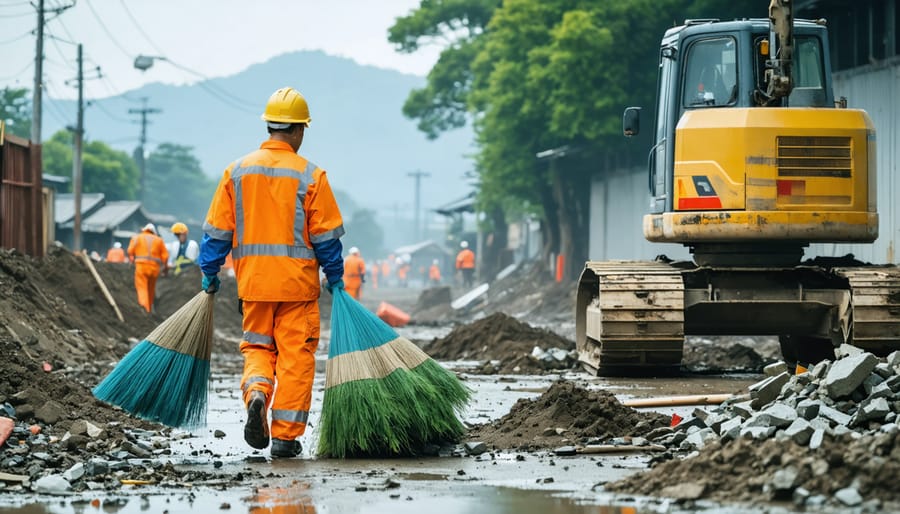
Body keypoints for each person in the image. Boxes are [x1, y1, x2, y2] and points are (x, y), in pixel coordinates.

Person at [198, 87, 345, 459]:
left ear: (269, 126)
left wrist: (209, 272)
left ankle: (258, 394)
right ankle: (284, 438)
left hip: (254, 286)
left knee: (258, 349)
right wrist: (336, 277)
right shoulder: (312, 176)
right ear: (298, 130)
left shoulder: (237, 172)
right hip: (297, 289)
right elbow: (325, 238)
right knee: (296, 358)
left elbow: (217, 232)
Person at [127, 223, 169, 313]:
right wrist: (165, 269)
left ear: (144, 230)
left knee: (142, 288)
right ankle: (149, 309)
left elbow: (130, 251)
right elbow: (165, 257)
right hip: (154, 269)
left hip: (141, 268)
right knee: (150, 290)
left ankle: (144, 309)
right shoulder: (159, 240)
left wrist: (131, 260)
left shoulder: (137, 238)